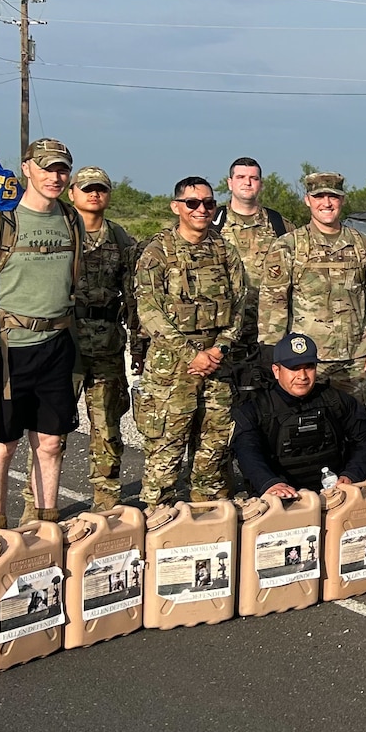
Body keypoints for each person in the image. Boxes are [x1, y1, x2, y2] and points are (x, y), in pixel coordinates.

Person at [0, 136, 83, 526]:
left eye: (61, 169)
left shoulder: (70, 220)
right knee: (2, 446)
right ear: (27, 168)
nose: (55, 176)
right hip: (8, 348)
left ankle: (45, 525)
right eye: (46, 168)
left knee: (52, 443)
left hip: (57, 345)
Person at [132, 176, 250, 506]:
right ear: (177, 207)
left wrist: (219, 348)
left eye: (209, 204)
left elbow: (239, 306)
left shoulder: (225, 251)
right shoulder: (157, 253)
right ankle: (157, 534)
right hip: (172, 372)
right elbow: (149, 311)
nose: (201, 210)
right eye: (193, 203)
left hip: (217, 368)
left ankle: (206, 535)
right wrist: (191, 355)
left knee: (212, 459)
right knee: (164, 460)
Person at [258, 172, 366, 400]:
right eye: (319, 196)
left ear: (342, 200)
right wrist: (275, 356)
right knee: (305, 425)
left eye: (333, 196)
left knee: (354, 423)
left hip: (354, 357)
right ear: (308, 200)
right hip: (304, 359)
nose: (327, 203)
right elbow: (273, 305)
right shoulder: (289, 246)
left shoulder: (363, 245)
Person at [68, 165, 143, 510]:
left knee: (106, 425)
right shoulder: (60, 232)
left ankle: (106, 499)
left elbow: (132, 293)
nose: (94, 194)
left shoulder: (120, 237)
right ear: (73, 194)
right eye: (87, 189)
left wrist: (138, 341)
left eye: (100, 189)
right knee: (49, 431)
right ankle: (37, 504)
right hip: (63, 342)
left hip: (107, 343)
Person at [231, 331, 366, 498]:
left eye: (308, 367)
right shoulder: (257, 407)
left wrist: (352, 474)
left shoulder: (335, 400)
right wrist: (268, 483)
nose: (302, 376)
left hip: (336, 489)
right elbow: (247, 452)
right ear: (276, 370)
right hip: (283, 494)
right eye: (294, 368)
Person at [212, 156, 288, 391]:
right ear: (229, 182)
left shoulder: (278, 223)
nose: (247, 183)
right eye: (241, 177)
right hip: (223, 328)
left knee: (268, 393)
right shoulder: (213, 222)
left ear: (261, 184)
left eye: (253, 178)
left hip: (267, 331)